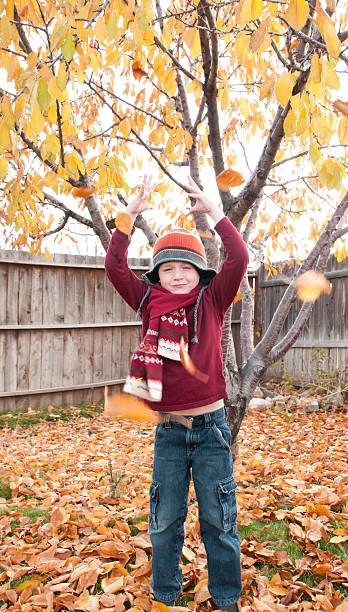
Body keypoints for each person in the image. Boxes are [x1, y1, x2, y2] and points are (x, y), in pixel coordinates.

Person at [105, 175, 249, 612]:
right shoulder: (148, 300)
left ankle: (226, 598)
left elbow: (239, 257)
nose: (178, 274)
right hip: (169, 433)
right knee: (165, 521)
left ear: (199, 272)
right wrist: (128, 217)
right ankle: (166, 593)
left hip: (211, 431)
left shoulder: (212, 300)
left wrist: (216, 214)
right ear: (158, 275)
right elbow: (114, 267)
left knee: (217, 520)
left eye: (186, 267)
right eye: (169, 268)